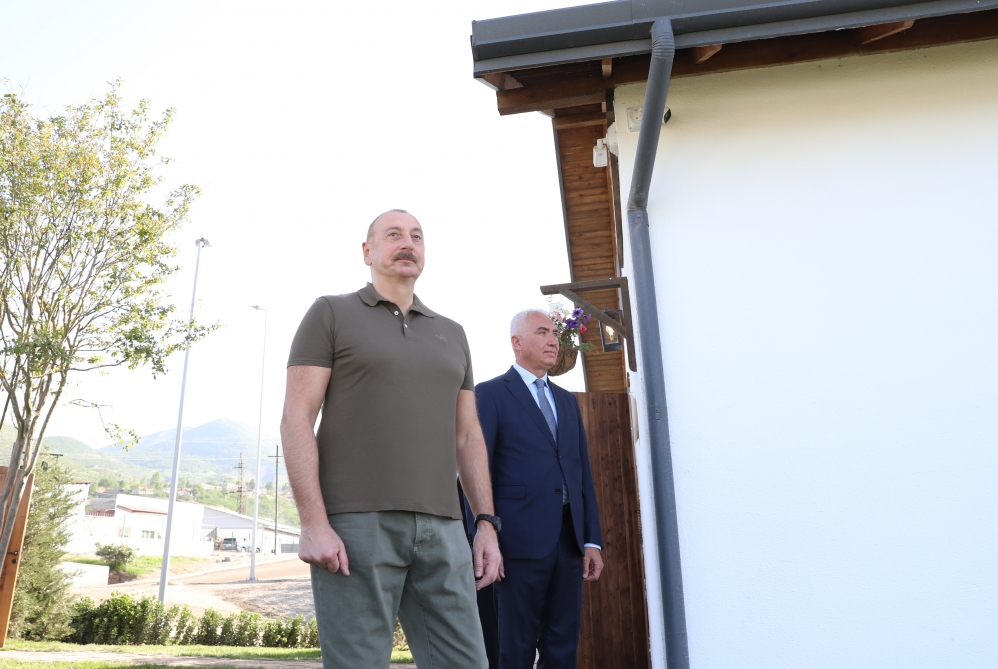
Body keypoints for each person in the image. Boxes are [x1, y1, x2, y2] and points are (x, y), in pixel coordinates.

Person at [281, 209, 502, 669]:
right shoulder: (331, 312)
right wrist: (313, 523)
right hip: (357, 526)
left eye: (416, 236)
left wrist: (485, 523)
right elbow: (296, 418)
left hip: (444, 528)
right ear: (367, 252)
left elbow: (467, 435)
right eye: (394, 234)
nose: (407, 243)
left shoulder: (452, 333)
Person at [476, 309, 604, 669]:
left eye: (555, 334)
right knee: (513, 646)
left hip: (569, 542)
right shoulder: (490, 394)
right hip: (515, 544)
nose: (553, 340)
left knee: (562, 645)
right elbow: (476, 471)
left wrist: (592, 541)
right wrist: (484, 538)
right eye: (542, 332)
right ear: (517, 342)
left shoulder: (567, 401)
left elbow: (581, 474)